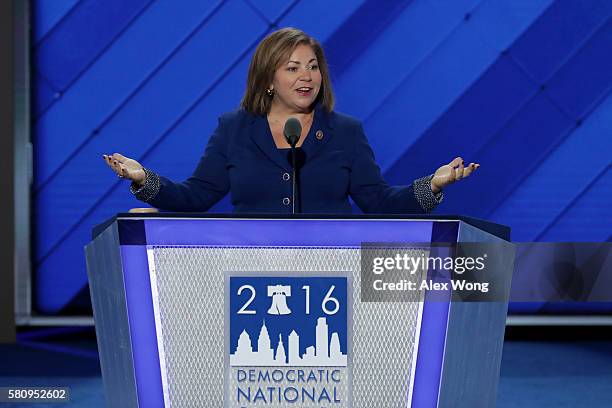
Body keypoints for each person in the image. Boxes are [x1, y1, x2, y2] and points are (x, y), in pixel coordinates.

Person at [103, 27, 479, 214]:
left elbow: (377, 202)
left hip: (332, 274)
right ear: (269, 78)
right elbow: (197, 196)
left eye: (313, 67)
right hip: (251, 274)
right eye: (293, 67)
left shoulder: (345, 132)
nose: (307, 77)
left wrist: (434, 184)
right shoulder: (233, 128)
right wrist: (143, 179)